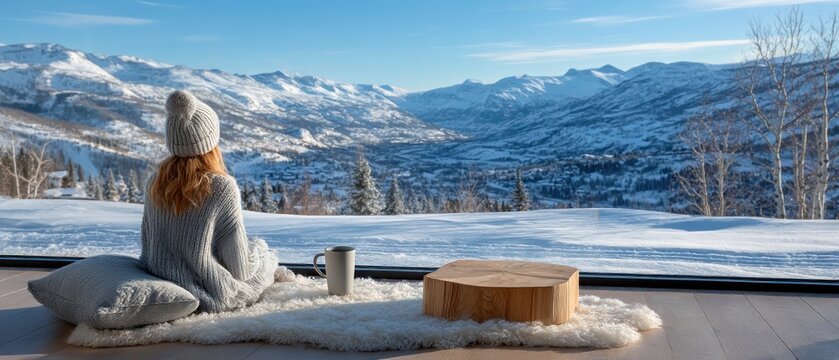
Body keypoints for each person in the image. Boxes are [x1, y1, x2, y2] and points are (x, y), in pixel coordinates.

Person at [140, 90, 290, 313]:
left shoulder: (155, 182)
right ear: (210, 141)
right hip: (210, 293)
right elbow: (241, 269)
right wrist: (260, 250)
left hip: (161, 285)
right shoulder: (221, 187)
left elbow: (149, 248)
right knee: (266, 261)